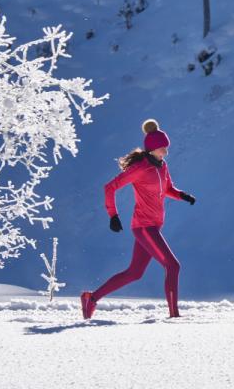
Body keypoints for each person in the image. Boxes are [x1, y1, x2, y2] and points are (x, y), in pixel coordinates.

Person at [80, 119, 196, 319]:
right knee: (172, 266)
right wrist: (113, 215)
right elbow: (110, 187)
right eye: (162, 148)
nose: (166, 152)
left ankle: (91, 298)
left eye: (166, 148)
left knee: (134, 273)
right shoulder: (140, 169)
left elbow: (167, 189)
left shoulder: (162, 166)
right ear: (151, 149)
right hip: (144, 227)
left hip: (154, 226)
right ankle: (174, 316)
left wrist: (182, 195)